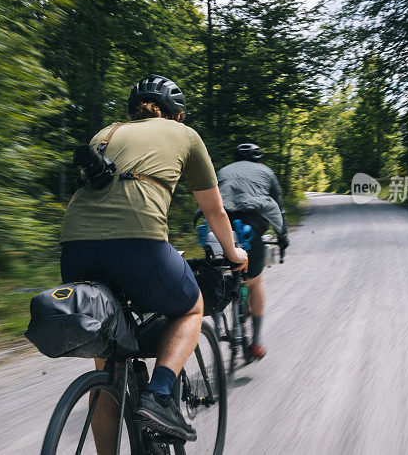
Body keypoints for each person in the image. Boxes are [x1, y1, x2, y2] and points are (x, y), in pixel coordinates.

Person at [59, 75, 248, 451]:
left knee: (107, 362)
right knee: (190, 306)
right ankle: (159, 397)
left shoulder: (106, 134)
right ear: (176, 116)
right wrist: (235, 253)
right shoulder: (185, 135)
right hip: (139, 240)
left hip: (74, 247)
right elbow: (214, 211)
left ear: (133, 112)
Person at [216, 143, 289, 360]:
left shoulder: (223, 171)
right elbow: (278, 205)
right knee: (255, 281)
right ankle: (256, 342)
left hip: (220, 227)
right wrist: (282, 237)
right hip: (252, 228)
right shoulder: (266, 172)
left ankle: (220, 324)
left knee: (220, 271)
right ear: (259, 160)